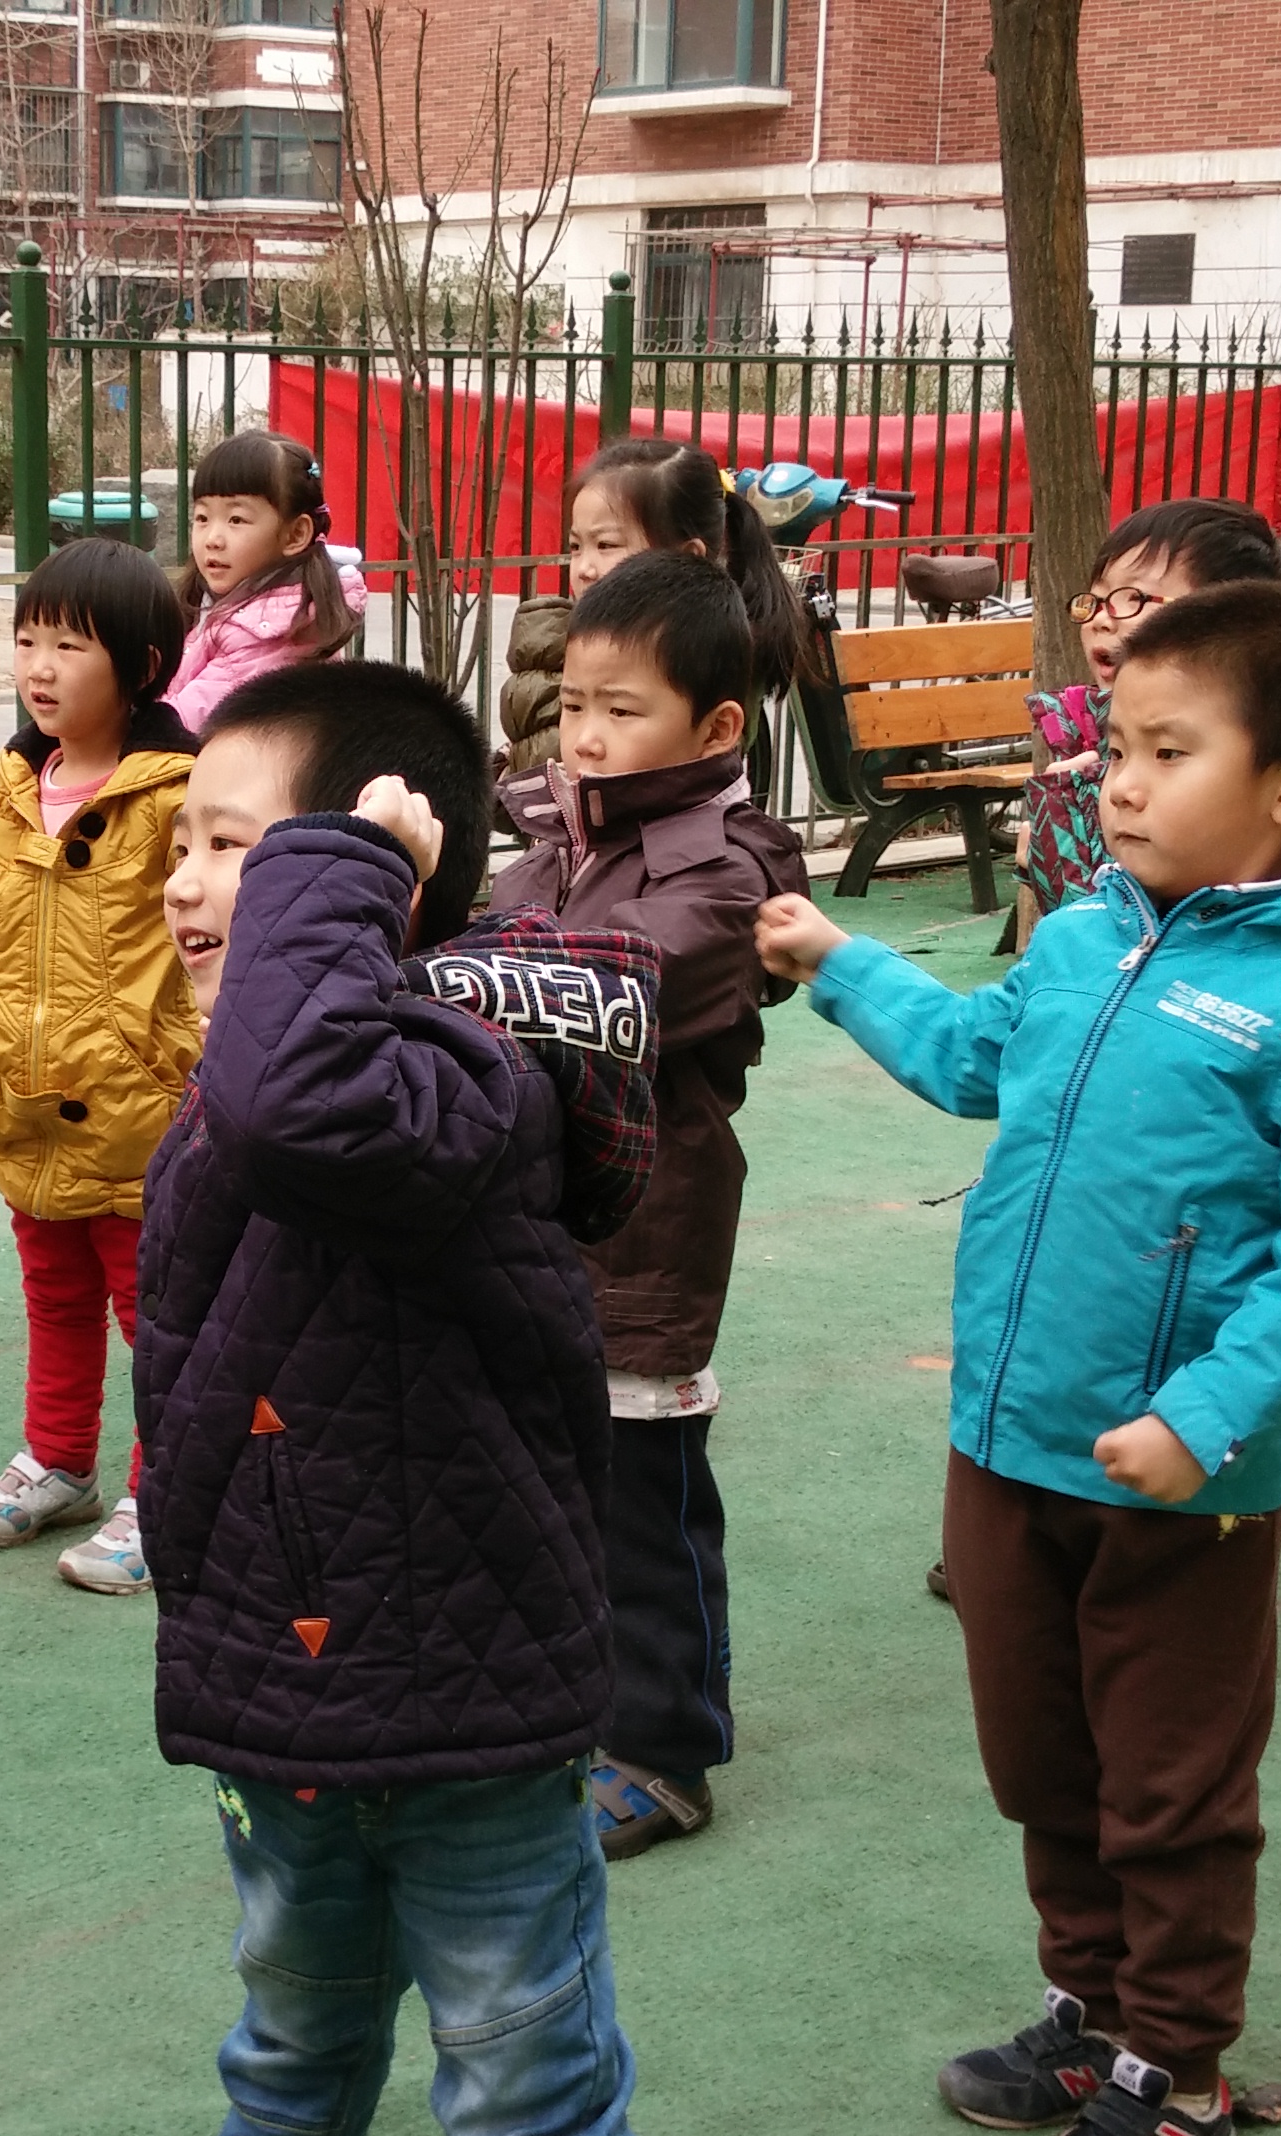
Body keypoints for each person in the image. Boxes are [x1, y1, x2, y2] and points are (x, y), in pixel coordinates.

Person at [759, 582, 1281, 2136]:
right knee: (1040, 1750)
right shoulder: (1078, 938)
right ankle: (1094, 2008)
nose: (1120, 783)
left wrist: (1210, 1415)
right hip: (1009, 1438)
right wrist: (843, 963)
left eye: (1168, 752)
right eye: (1117, 746)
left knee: (1168, 1784)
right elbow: (972, 1058)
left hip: (1179, 1484)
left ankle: (1179, 2074)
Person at [59, 661, 666, 2136]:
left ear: (377, 878)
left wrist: (341, 873)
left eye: (237, 847)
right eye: (187, 842)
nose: (187, 881)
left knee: (526, 2086)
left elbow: (300, 1104)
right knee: (296, 2006)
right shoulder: (282, 1076)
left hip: (465, 1698)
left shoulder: (452, 1077)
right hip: (290, 1670)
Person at [487, 551, 807, 1857]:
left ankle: (666, 1748)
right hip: (534, 1225)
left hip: (646, 1238)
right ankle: (571, 1704)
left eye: (620, 710)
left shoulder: (726, 871)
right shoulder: (554, 841)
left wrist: (453, 976)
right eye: (572, 705)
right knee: (541, 1489)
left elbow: (617, 983)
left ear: (716, 726)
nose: (584, 734)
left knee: (643, 1509)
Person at [0, 538, 197, 1589]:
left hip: (135, 1109)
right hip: (26, 1099)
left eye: (69, 646)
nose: (39, 668)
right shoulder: (16, 786)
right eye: (27, 642)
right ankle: (59, 1462)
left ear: (142, 666)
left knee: (156, 1317)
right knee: (52, 1292)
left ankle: (166, 1495)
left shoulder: (174, 796)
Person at [499, 438, 832, 784]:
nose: (584, 568)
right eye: (575, 546)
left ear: (686, 556)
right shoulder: (561, 633)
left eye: (606, 545)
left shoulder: (698, 655)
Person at [1020, 498, 1281, 931]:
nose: (1101, 619)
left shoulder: (1246, 746)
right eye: (1096, 599)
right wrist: (1057, 845)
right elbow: (1092, 934)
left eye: (1133, 598)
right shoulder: (1080, 735)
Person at [165, 429, 363, 730]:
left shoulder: (272, 634)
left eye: (236, 519)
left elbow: (178, 727)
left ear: (295, 535)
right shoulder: (222, 603)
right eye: (202, 518)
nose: (212, 539)